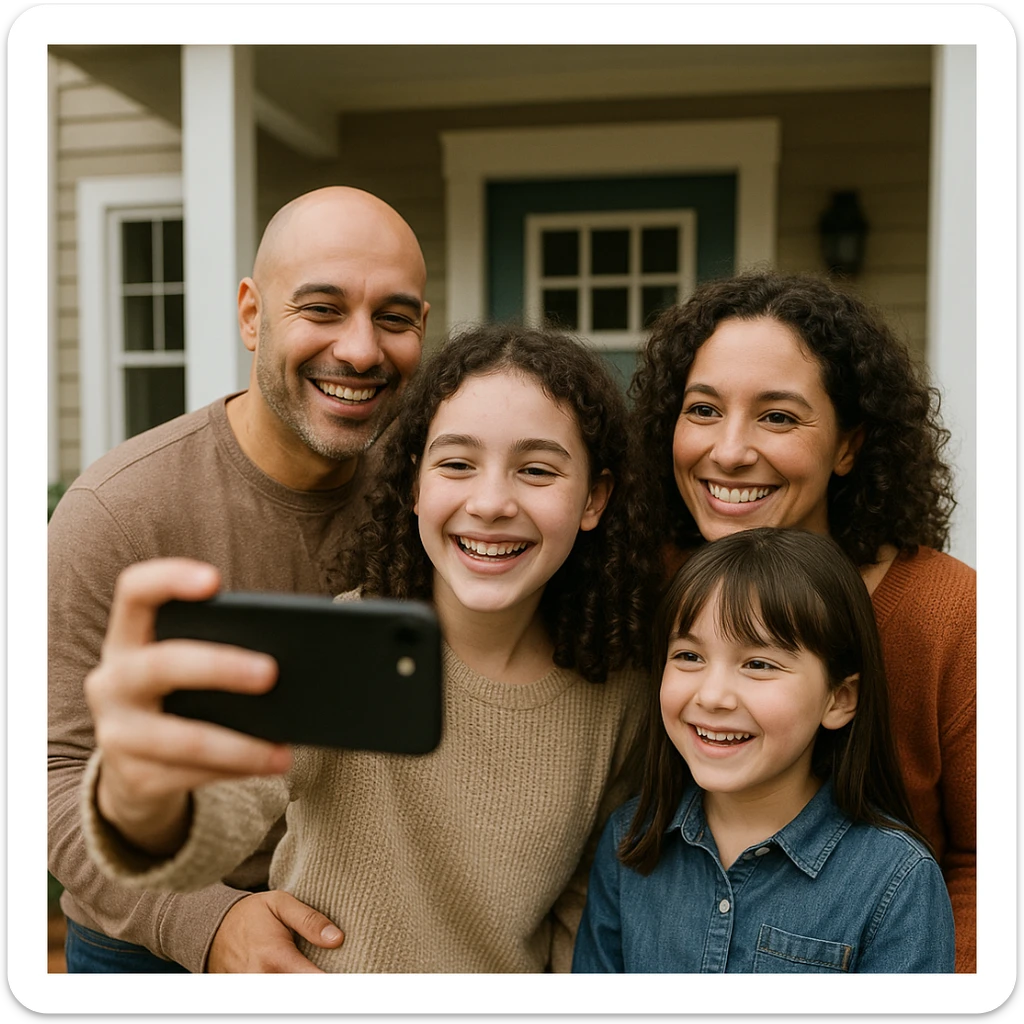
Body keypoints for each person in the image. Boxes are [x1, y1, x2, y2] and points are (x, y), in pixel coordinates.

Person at [78, 323, 658, 972]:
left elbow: (579, 915)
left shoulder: (621, 695)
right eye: (457, 464)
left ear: (595, 498)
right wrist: (142, 796)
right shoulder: (342, 649)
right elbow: (216, 820)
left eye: (537, 470)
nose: (491, 502)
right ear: (414, 486)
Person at [48, 185, 431, 973]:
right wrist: (208, 922)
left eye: (394, 318)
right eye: (321, 309)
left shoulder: (436, 500)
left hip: (359, 933)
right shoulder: (118, 512)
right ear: (253, 315)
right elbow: (46, 776)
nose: (361, 351)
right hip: (148, 946)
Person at [628, 270, 976, 972]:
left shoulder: (949, 615)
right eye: (702, 410)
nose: (728, 451)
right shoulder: (639, 579)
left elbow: (991, 862)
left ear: (848, 446)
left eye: (778, 417)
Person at [572, 527, 956, 973]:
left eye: (758, 664)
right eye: (689, 657)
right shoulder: (630, 841)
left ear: (839, 699)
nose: (713, 696)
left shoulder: (897, 881)